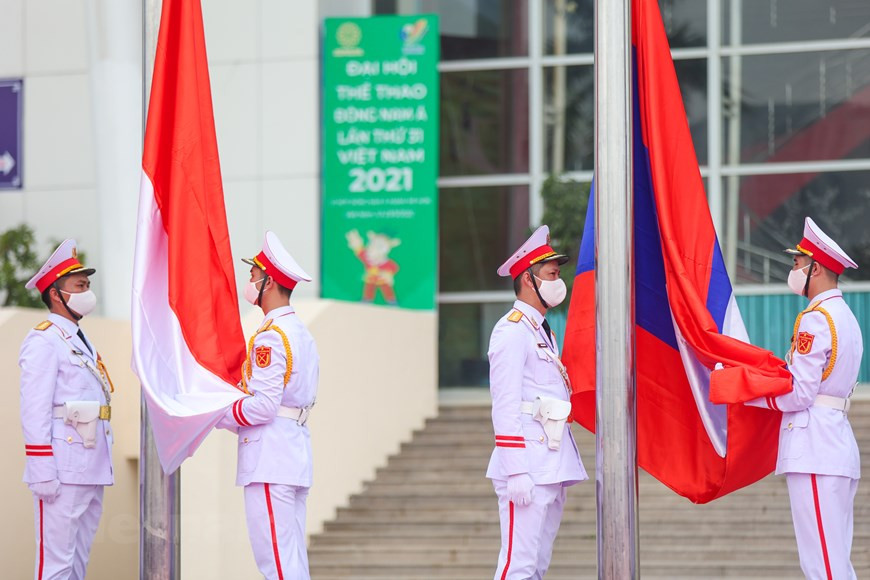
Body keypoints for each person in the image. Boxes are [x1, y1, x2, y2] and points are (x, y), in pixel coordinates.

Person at [746, 217, 862, 579]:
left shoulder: (815, 319)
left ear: (817, 268)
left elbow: (800, 392)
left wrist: (749, 396)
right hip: (833, 442)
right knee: (834, 559)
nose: (793, 269)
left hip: (815, 447)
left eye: (798, 262)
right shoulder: (845, 316)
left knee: (822, 565)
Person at [487, 225, 588, 579]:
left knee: (536, 568)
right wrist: (515, 468)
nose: (558, 281)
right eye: (551, 274)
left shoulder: (540, 331)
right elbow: (505, 403)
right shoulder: (512, 330)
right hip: (527, 464)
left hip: (549, 462)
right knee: (518, 567)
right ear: (529, 280)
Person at [218, 231, 318, 580]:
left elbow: (262, 407)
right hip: (290, 452)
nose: (249, 281)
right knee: (290, 560)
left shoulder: (272, 335)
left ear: (269, 281)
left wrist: (216, 412)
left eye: (253, 275)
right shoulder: (299, 331)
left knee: (276, 562)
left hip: (271, 457)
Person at [18, 239, 115, 579]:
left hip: (89, 464)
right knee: (55, 564)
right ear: (57, 294)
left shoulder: (76, 337)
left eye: (87, 284)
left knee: (77, 562)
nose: (87, 291)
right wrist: (41, 468)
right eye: (80, 286)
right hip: (61, 468)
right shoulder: (45, 339)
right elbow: (35, 408)